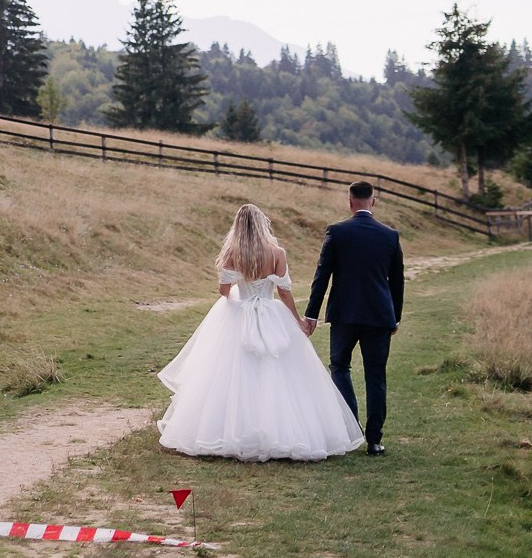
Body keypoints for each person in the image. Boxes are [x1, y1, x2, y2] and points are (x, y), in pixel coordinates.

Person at [157, 204, 365, 461]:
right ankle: (285, 432)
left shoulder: (232, 253)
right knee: (278, 370)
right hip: (271, 313)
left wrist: (239, 290)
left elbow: (224, 291)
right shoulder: (277, 253)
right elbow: (284, 292)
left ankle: (229, 431)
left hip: (239, 312)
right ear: (261, 224)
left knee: (230, 372)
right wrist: (298, 320)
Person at [302, 181, 406, 455]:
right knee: (376, 374)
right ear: (374, 202)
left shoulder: (337, 232)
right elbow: (397, 282)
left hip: (344, 314)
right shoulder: (390, 235)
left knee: (339, 366)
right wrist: (395, 317)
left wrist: (311, 313)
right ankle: (374, 440)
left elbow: (322, 275)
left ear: (350, 202)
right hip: (379, 315)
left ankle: (351, 429)